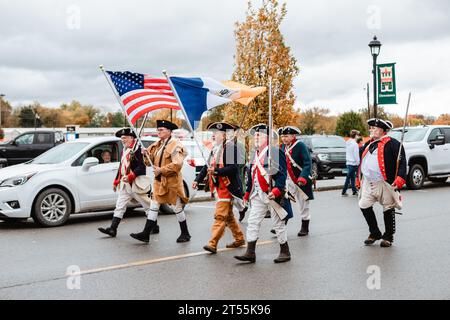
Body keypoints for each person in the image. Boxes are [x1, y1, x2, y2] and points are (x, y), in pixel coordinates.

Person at [234, 124, 291, 264]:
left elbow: (282, 174)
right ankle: (250, 252)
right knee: (252, 222)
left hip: (272, 193)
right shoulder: (256, 153)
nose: (256, 137)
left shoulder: (274, 151)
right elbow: (252, 176)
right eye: (255, 134)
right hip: (257, 194)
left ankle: (285, 251)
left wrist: (277, 190)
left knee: (278, 224)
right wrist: (247, 193)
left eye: (259, 134)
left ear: (267, 137)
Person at [130, 120, 191, 243]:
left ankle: (185, 233)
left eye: (161, 129)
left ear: (169, 131)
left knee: (177, 207)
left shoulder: (175, 145)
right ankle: (146, 234)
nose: (158, 131)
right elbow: (149, 162)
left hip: (172, 182)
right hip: (159, 182)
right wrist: (145, 155)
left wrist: (161, 170)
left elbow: (177, 164)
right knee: (154, 206)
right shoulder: (157, 145)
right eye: (158, 129)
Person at [193, 122, 246, 254]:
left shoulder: (230, 148)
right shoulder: (215, 148)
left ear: (223, 135)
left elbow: (233, 168)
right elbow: (207, 167)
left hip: (228, 187)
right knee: (228, 217)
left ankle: (212, 243)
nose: (213, 136)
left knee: (220, 215)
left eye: (215, 133)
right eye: (213, 133)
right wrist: (197, 179)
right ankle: (239, 238)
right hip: (218, 186)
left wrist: (216, 171)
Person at [357, 118, 406, 247]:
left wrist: (400, 178)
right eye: (370, 128)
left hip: (384, 182)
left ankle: (388, 236)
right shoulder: (368, 145)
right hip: (368, 182)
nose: (371, 130)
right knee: (364, 205)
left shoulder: (394, 144)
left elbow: (402, 163)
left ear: (383, 130)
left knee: (388, 207)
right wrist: (358, 178)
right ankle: (375, 232)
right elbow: (361, 163)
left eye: (374, 128)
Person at [98, 128, 151, 237]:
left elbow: (142, 167)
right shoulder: (125, 150)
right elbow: (121, 167)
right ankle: (113, 229)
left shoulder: (138, 149)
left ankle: (154, 226)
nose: (122, 140)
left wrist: (131, 176)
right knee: (119, 206)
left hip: (136, 183)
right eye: (122, 138)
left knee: (148, 207)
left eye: (125, 138)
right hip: (125, 184)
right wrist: (116, 181)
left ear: (132, 138)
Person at [279, 126, 314, 237]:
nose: (284, 138)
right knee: (283, 202)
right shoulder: (282, 147)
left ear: (293, 136)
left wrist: (303, 177)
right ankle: (281, 225)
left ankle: (305, 226)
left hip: (300, 180)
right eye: (282, 136)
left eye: (286, 136)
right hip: (287, 181)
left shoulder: (300, 145)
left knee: (303, 205)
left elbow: (307, 163)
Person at [342, 129, 360, 196]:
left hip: (348, 162)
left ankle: (354, 191)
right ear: (355, 136)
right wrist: (358, 162)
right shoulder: (355, 144)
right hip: (353, 163)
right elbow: (356, 155)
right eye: (358, 135)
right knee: (349, 177)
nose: (358, 137)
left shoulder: (348, 142)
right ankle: (344, 191)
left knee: (352, 177)